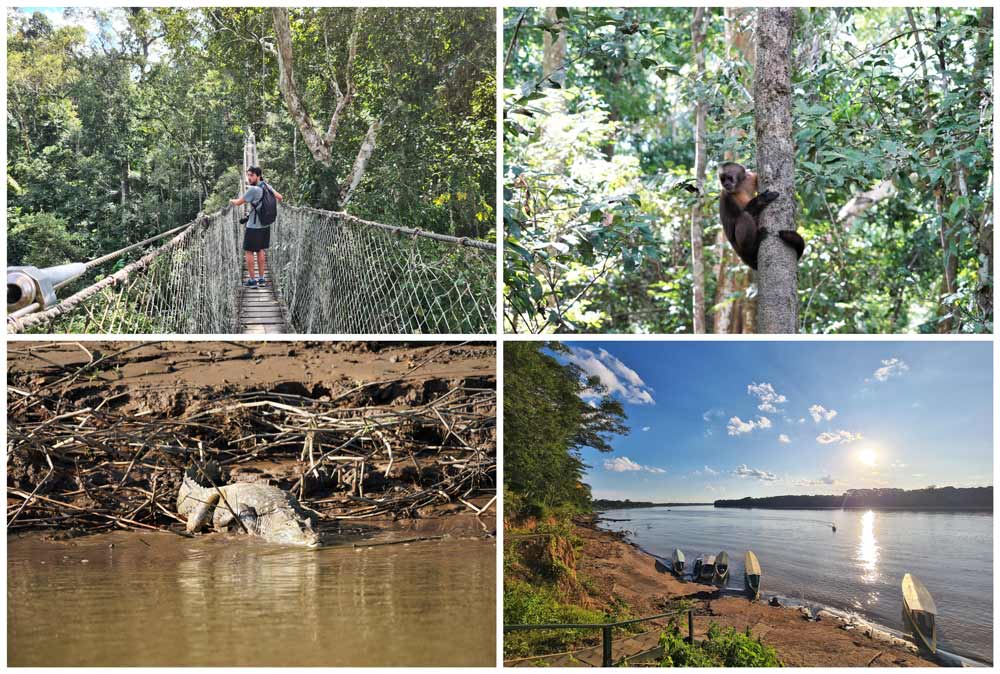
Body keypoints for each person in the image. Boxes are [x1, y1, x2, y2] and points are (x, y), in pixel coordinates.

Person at [229, 166, 283, 287]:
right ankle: (262, 279)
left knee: (249, 252)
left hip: (253, 226)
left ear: (258, 176)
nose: (249, 177)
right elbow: (280, 197)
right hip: (265, 225)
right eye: (248, 175)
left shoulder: (253, 190)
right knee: (260, 250)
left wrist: (230, 201)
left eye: (251, 175)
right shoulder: (267, 186)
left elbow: (238, 203)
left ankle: (252, 281)